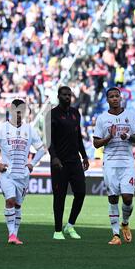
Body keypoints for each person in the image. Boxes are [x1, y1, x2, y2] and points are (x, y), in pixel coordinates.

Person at [0, 99, 45, 244]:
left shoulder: (29, 129)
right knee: (10, 201)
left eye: (22, 112)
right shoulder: (1, 128)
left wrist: (32, 164)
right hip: (8, 174)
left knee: (18, 205)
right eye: (17, 111)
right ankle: (11, 234)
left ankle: (15, 235)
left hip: (23, 175)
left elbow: (41, 149)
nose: (19, 114)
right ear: (10, 111)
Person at [93, 87, 135, 245]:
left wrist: (127, 136)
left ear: (121, 98)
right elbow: (96, 143)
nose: (114, 98)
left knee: (127, 199)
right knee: (113, 198)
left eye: (117, 96)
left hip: (127, 162)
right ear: (107, 100)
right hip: (110, 163)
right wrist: (109, 137)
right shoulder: (102, 118)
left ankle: (125, 223)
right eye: (111, 96)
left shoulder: (130, 115)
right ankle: (115, 235)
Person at [46, 86, 89, 240]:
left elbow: (78, 137)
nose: (67, 97)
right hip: (59, 163)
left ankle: (70, 225)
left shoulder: (75, 113)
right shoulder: (52, 114)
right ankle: (57, 230)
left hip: (74, 161)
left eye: (69, 95)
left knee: (81, 192)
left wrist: (84, 156)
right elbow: (49, 141)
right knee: (60, 196)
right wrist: (54, 158)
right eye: (64, 95)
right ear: (58, 96)